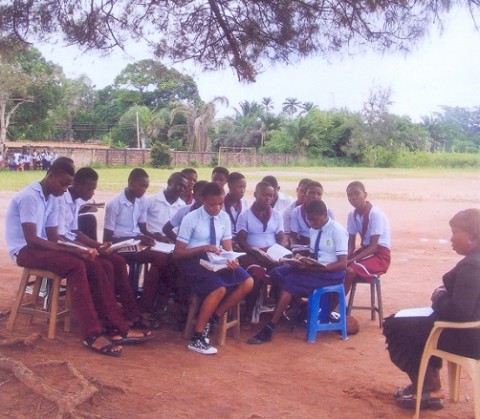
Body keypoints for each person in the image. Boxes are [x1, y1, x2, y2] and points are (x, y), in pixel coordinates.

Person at [5, 158, 123, 356]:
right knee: (76, 265)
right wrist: (72, 251)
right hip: (25, 251)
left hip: (42, 248)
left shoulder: (52, 198)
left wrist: (80, 249)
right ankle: (91, 334)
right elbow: (32, 240)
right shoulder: (30, 197)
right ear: (50, 176)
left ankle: (112, 323)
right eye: (62, 184)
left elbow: (54, 237)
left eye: (68, 185)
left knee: (90, 262)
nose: (64, 189)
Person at [383, 208, 480, 410]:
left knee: (396, 325)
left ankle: (428, 387)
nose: (451, 238)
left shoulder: (472, 266)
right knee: (409, 323)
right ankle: (429, 383)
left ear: (471, 234)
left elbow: (460, 312)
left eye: (455, 232)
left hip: (467, 338)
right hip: (472, 331)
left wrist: (439, 296)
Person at [58, 167, 152, 342]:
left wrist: (98, 245)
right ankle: (114, 324)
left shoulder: (75, 200)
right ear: (75, 184)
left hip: (72, 243)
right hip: (63, 248)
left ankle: (128, 315)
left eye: (94, 189)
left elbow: (75, 231)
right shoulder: (61, 200)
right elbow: (60, 236)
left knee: (115, 261)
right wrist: (87, 250)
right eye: (89, 189)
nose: (93, 192)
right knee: (100, 266)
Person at [247, 199, 348, 344]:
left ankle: (271, 326)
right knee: (277, 272)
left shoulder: (337, 231)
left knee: (290, 283)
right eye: (309, 219)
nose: (311, 223)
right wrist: (301, 261)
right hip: (316, 268)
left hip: (332, 273)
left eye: (314, 219)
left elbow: (342, 264)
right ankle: (297, 306)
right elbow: (314, 255)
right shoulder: (314, 229)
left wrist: (319, 267)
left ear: (325, 215)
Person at [174, 182, 254, 355]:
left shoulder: (224, 217)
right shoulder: (191, 218)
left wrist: (231, 260)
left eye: (220, 204)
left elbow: (227, 248)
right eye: (213, 204)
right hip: (194, 262)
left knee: (247, 281)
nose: (217, 208)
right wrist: (203, 248)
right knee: (219, 289)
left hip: (216, 259)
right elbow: (178, 253)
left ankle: (212, 319)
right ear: (202, 200)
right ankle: (196, 338)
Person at [103, 168, 170, 320]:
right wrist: (139, 239)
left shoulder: (142, 202)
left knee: (167, 256)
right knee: (160, 258)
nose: (144, 190)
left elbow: (143, 228)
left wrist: (154, 237)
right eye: (141, 186)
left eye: (146, 187)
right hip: (118, 245)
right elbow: (108, 238)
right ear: (130, 183)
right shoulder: (115, 204)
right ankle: (144, 305)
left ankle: (151, 300)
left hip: (135, 242)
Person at [236, 181, 288, 324]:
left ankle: (279, 310)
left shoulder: (277, 215)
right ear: (255, 194)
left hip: (272, 252)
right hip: (252, 253)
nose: (268, 198)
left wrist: (279, 249)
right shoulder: (245, 215)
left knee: (286, 270)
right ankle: (248, 312)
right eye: (264, 195)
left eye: (271, 196)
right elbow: (241, 239)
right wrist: (254, 252)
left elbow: (281, 235)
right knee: (256, 274)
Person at [344, 181, 391, 295]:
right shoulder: (352, 215)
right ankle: (330, 301)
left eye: (357, 193)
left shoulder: (375, 214)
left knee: (349, 271)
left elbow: (374, 247)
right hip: (365, 252)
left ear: (365, 194)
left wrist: (351, 260)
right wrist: (345, 257)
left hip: (379, 256)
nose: (353, 197)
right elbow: (351, 244)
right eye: (350, 195)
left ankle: (336, 305)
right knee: (338, 267)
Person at [145, 172, 187, 242]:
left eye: (184, 187)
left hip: (173, 243)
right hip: (153, 242)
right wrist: (155, 237)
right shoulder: (150, 201)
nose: (182, 189)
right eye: (180, 185)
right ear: (169, 182)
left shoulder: (183, 206)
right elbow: (137, 223)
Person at [290, 181, 334, 246]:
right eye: (311, 193)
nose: (315, 196)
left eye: (319, 194)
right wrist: (296, 249)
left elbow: (330, 235)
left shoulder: (328, 212)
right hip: (302, 244)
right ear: (305, 194)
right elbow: (293, 236)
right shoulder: (296, 211)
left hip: (321, 244)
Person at [283, 178, 313, 244]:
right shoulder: (289, 211)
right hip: (298, 242)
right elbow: (287, 233)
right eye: (301, 191)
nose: (303, 194)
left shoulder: (322, 210)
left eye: (305, 192)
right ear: (297, 190)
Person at [223, 171, 249, 238]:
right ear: (229, 186)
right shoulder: (221, 204)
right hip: (225, 239)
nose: (242, 190)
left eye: (244, 187)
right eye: (239, 187)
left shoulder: (245, 203)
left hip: (242, 239)